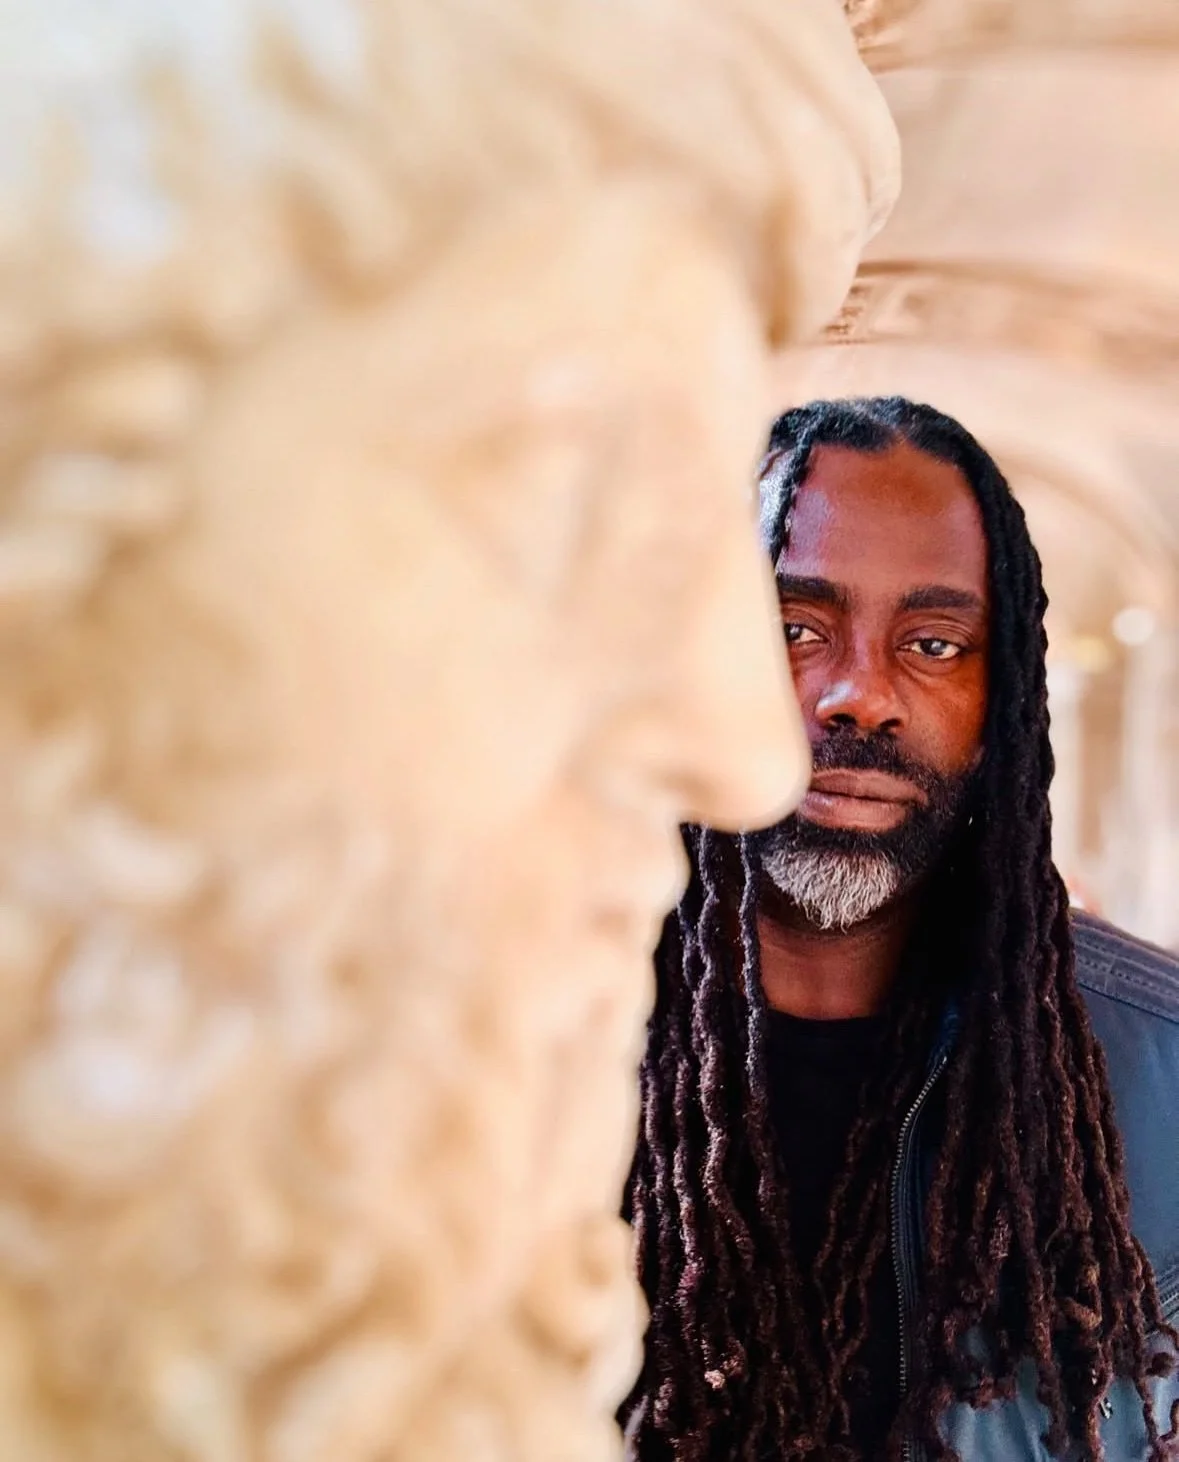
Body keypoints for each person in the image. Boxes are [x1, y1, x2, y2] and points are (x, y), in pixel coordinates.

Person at [622, 397, 1179, 1462]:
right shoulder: (515, 1045)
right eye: (793, 629)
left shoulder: (1169, 1072)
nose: (861, 695)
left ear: (999, 700)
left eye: (933, 643)